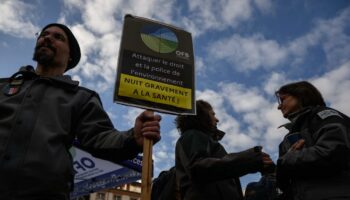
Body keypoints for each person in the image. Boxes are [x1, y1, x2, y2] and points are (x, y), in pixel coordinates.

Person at [0, 23, 161, 200]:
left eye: (58, 37)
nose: (47, 38)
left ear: (70, 57)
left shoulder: (81, 98)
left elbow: (100, 137)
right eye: (44, 34)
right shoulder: (3, 87)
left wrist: (133, 138)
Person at [174, 100, 274, 200]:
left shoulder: (206, 140)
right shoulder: (192, 135)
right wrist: (251, 159)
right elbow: (198, 168)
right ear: (201, 115)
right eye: (212, 114)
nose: (217, 119)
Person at [275, 81, 350, 200]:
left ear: (300, 95)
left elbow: (334, 152)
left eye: (282, 99)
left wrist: (287, 160)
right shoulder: (287, 138)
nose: (279, 106)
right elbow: (283, 183)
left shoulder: (323, 115)